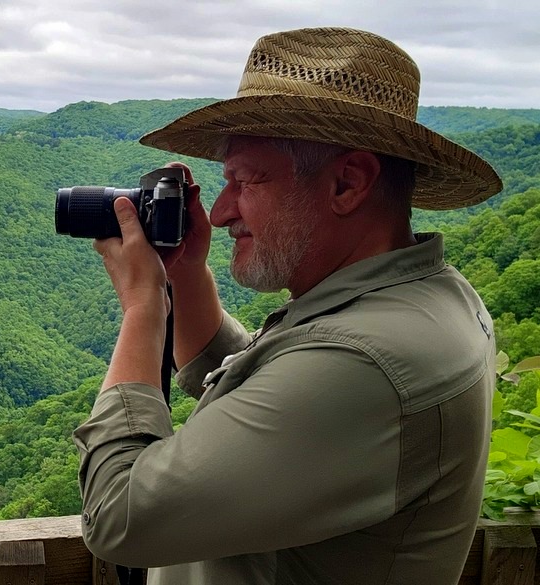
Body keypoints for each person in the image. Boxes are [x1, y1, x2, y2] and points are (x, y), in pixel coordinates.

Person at [74, 27, 503, 584]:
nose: (223, 212)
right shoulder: (423, 300)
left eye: (245, 181)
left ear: (347, 184)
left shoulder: (368, 363)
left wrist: (143, 305)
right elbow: (267, 383)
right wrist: (184, 275)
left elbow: (117, 517)